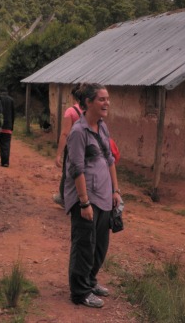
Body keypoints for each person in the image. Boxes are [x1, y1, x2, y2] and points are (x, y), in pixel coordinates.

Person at [64, 83, 122, 308]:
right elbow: (76, 169)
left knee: (99, 245)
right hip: (86, 199)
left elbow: (109, 159)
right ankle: (80, 292)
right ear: (88, 103)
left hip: (104, 196)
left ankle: (90, 280)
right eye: (101, 99)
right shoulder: (78, 132)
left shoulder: (102, 127)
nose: (106, 103)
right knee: (84, 245)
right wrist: (84, 202)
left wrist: (115, 190)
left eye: (107, 99)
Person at [53, 83, 82, 208]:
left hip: (72, 148)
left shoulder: (71, 111)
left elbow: (65, 133)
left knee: (68, 172)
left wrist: (58, 154)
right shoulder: (90, 110)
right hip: (86, 148)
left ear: (73, 96)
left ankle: (64, 198)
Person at [0, 87, 15, 167]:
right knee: (5, 144)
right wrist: (11, 126)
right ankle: (5, 162)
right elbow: (13, 114)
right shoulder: (11, 100)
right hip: (8, 126)